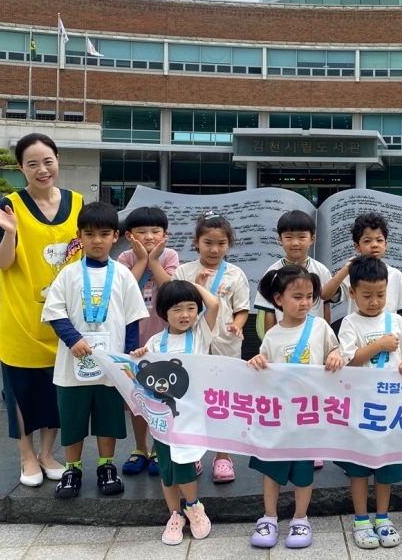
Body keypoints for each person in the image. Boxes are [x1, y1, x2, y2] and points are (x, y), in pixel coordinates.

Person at [0, 133, 83, 488]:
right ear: (21, 168)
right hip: (22, 318)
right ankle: (26, 456)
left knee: (58, 391)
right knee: (21, 393)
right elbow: (2, 262)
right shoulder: (8, 206)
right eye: (33, 164)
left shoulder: (77, 202)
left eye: (48, 161)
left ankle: (46, 453)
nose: (42, 170)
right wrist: (9, 232)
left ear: (58, 160)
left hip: (64, 321)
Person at [41, 201, 148, 498]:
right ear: (79, 236)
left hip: (110, 367)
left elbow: (132, 321)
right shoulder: (68, 274)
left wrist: (127, 361)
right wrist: (73, 339)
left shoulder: (123, 275)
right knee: (72, 420)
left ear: (116, 236)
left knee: (107, 419)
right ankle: (72, 469)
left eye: (104, 234)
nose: (97, 240)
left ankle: (106, 466)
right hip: (72, 365)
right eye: (89, 234)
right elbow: (55, 313)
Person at [247, 266, 344, 549]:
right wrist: (256, 363)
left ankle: (300, 519)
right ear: (278, 299)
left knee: (304, 470)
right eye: (297, 296)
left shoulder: (320, 327)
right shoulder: (272, 336)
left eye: (309, 296)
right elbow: (263, 370)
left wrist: (336, 354)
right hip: (278, 416)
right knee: (271, 468)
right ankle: (269, 517)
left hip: (307, 415)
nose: (305, 302)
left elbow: (334, 350)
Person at [335, 256, 402, 549]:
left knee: (385, 466)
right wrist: (378, 345)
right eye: (367, 295)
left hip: (391, 408)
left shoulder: (396, 321)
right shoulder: (349, 323)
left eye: (380, 294)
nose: (374, 301)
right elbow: (350, 361)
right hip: (360, 408)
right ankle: (360, 519)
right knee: (358, 468)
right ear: (352, 292)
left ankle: (382, 517)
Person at [130, 279, 219, 545]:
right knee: (166, 467)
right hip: (162, 418)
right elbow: (144, 373)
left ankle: (194, 507)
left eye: (191, 308)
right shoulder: (156, 342)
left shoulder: (201, 333)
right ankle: (175, 514)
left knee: (185, 463)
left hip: (191, 417)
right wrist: (140, 355)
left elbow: (214, 304)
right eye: (177, 309)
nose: (185, 315)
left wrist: (190, 284)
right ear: (164, 312)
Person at [173, 212, 249, 484]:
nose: (214, 249)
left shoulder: (236, 274)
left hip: (225, 346)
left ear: (229, 244)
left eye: (221, 243)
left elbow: (241, 309)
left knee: (222, 401)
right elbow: (176, 306)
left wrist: (237, 325)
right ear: (196, 242)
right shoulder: (184, 272)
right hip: (192, 344)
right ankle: (193, 453)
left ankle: (223, 457)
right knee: (192, 399)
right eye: (208, 243)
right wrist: (197, 286)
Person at [117, 206, 180, 477]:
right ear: (129, 236)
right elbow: (123, 288)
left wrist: (154, 260)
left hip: (162, 339)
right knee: (137, 397)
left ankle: (158, 447)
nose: (149, 236)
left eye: (155, 231)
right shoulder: (125, 257)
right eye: (142, 232)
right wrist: (142, 259)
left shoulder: (170, 256)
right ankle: (140, 447)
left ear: (165, 235)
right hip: (133, 339)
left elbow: (170, 289)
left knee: (162, 396)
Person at [321, 212, 402, 320]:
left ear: (385, 244)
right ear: (357, 246)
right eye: (367, 241)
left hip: (388, 330)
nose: (374, 245)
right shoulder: (352, 274)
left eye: (379, 240)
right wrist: (346, 269)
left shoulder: (396, 275)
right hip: (358, 329)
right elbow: (325, 295)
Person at [254, 209, 333, 334]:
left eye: (301, 237)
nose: (295, 243)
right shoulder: (274, 272)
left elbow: (326, 305)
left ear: (312, 239)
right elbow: (268, 310)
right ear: (280, 239)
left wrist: (327, 334)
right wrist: (271, 339)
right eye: (289, 237)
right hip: (284, 336)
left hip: (314, 335)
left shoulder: (321, 271)